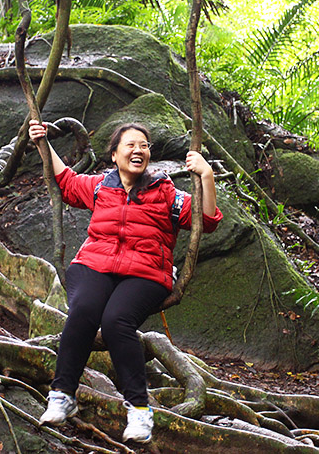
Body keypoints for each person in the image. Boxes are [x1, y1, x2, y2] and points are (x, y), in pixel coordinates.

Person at [29, 120, 223, 443]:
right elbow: (65, 181)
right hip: (95, 264)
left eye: (144, 145)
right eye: (130, 145)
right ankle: (62, 394)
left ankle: (139, 410)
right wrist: (43, 143)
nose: (138, 150)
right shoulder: (100, 186)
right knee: (84, 310)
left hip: (145, 273)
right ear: (115, 155)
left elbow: (207, 221)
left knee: (116, 320)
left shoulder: (166, 193)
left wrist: (206, 175)